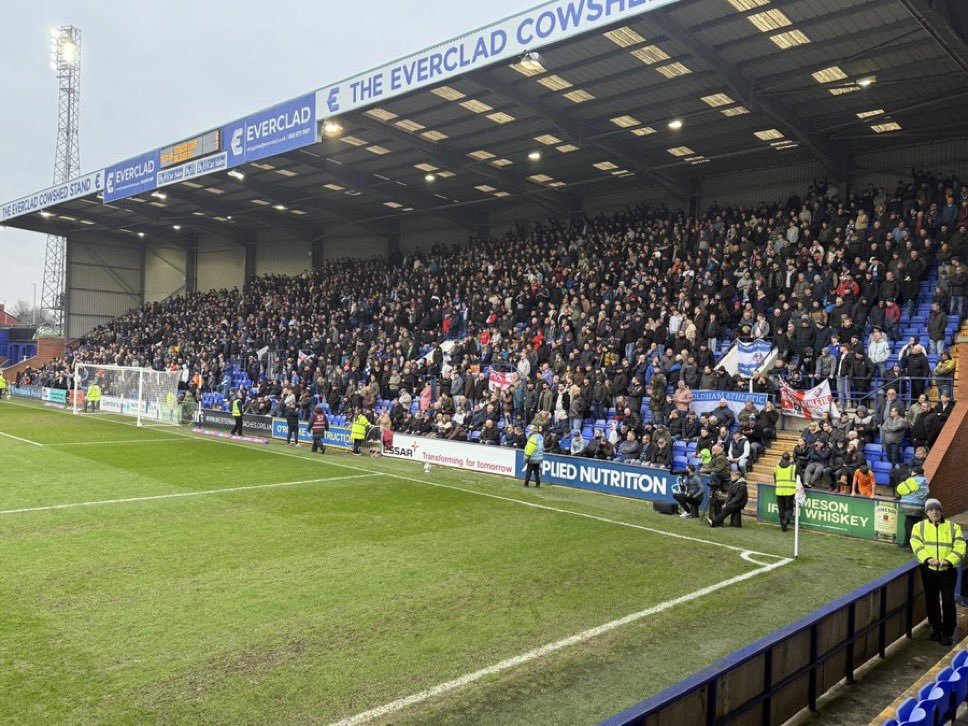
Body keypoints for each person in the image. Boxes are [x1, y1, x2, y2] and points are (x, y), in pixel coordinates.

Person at [910, 499, 965, 646]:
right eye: (931, 509)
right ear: (926, 512)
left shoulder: (954, 527)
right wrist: (928, 559)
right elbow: (916, 545)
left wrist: (948, 561)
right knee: (931, 600)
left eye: (937, 509)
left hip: (948, 570)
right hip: (929, 570)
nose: (934, 512)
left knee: (948, 602)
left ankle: (947, 633)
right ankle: (936, 629)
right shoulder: (918, 527)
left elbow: (960, 547)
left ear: (941, 511)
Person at [896, 465, 929, 547]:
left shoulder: (912, 480)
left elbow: (901, 490)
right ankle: (906, 543)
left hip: (910, 505)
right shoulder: (925, 481)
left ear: (914, 472)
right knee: (915, 526)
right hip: (920, 506)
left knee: (908, 525)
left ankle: (913, 545)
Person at [773, 451, 799, 532]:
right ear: (789, 458)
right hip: (789, 491)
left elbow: (775, 479)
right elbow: (799, 477)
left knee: (781, 509)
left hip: (779, 491)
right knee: (789, 508)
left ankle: (783, 526)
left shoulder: (776, 467)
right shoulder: (793, 467)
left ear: (782, 458)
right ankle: (786, 520)